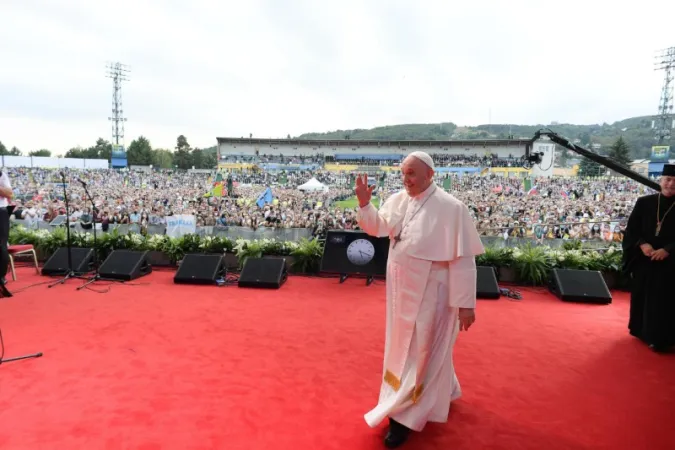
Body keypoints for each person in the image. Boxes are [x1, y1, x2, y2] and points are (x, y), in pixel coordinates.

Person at [355, 151, 484, 448]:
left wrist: (466, 304)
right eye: (403, 173)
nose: (406, 179)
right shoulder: (399, 200)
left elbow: (463, 261)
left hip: (433, 292)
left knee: (422, 350)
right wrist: (364, 203)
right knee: (412, 348)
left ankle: (403, 418)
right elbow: (379, 228)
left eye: (412, 173)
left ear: (431, 175)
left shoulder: (453, 208)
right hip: (401, 290)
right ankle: (444, 389)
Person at [622, 164, 675, 353]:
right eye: (668, 180)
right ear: (661, 181)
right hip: (645, 259)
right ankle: (640, 330)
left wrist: (668, 249)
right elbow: (631, 230)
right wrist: (642, 244)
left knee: (663, 301)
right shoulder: (644, 202)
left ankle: (661, 338)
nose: (671, 184)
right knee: (642, 295)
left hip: (670, 265)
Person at [0, 169, 14, 297]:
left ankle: (1, 276)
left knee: (1, 246)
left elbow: (9, 193)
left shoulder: (1, 174)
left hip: (1, 211)